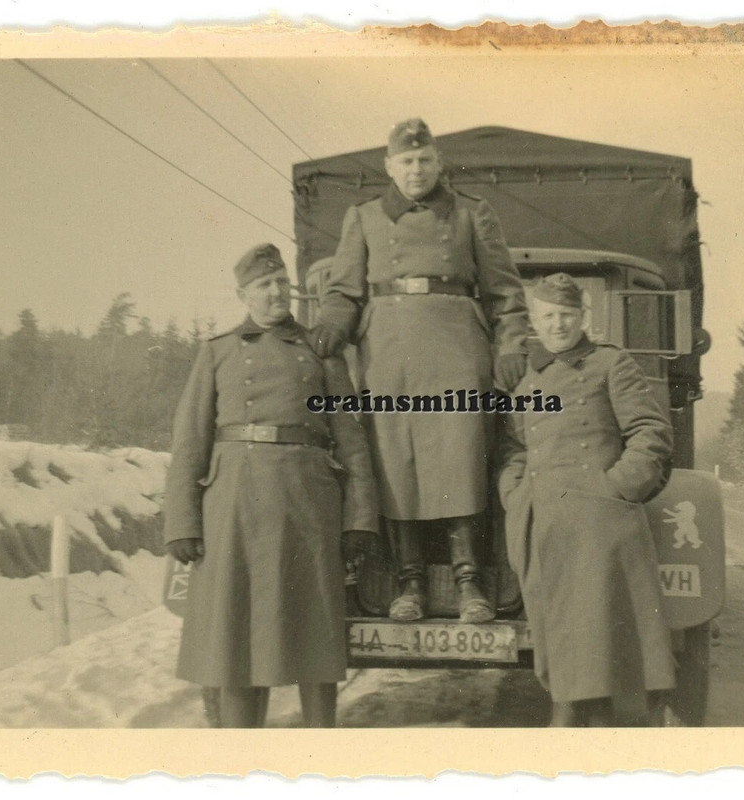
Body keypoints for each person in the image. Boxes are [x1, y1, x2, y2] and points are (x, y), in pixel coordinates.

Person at [308, 118, 529, 624]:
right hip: (388, 352)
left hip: (457, 347)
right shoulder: (362, 218)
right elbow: (343, 290)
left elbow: (505, 294)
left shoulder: (473, 215)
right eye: (406, 161)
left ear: (439, 164)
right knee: (396, 462)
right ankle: (408, 583)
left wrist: (511, 345)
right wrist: (330, 326)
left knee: (461, 457)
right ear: (389, 166)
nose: (416, 169)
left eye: (425, 160)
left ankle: (469, 581)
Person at [163, 243, 378, 728]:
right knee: (237, 638)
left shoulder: (320, 352)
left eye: (282, 282)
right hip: (234, 504)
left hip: (306, 501)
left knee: (314, 636)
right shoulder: (217, 352)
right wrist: (181, 520)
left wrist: (359, 517)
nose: (276, 292)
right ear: (243, 294)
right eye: (264, 285)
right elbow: (190, 442)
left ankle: (320, 746)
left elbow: (352, 441)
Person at [497, 272, 675, 727]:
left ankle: (575, 727)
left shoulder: (610, 364)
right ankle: (582, 723)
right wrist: (515, 493)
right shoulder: (527, 377)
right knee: (557, 634)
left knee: (596, 638)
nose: (558, 325)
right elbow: (515, 447)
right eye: (549, 316)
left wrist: (615, 489)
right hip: (540, 522)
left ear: (584, 317)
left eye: (567, 315)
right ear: (534, 320)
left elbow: (649, 431)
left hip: (597, 523)